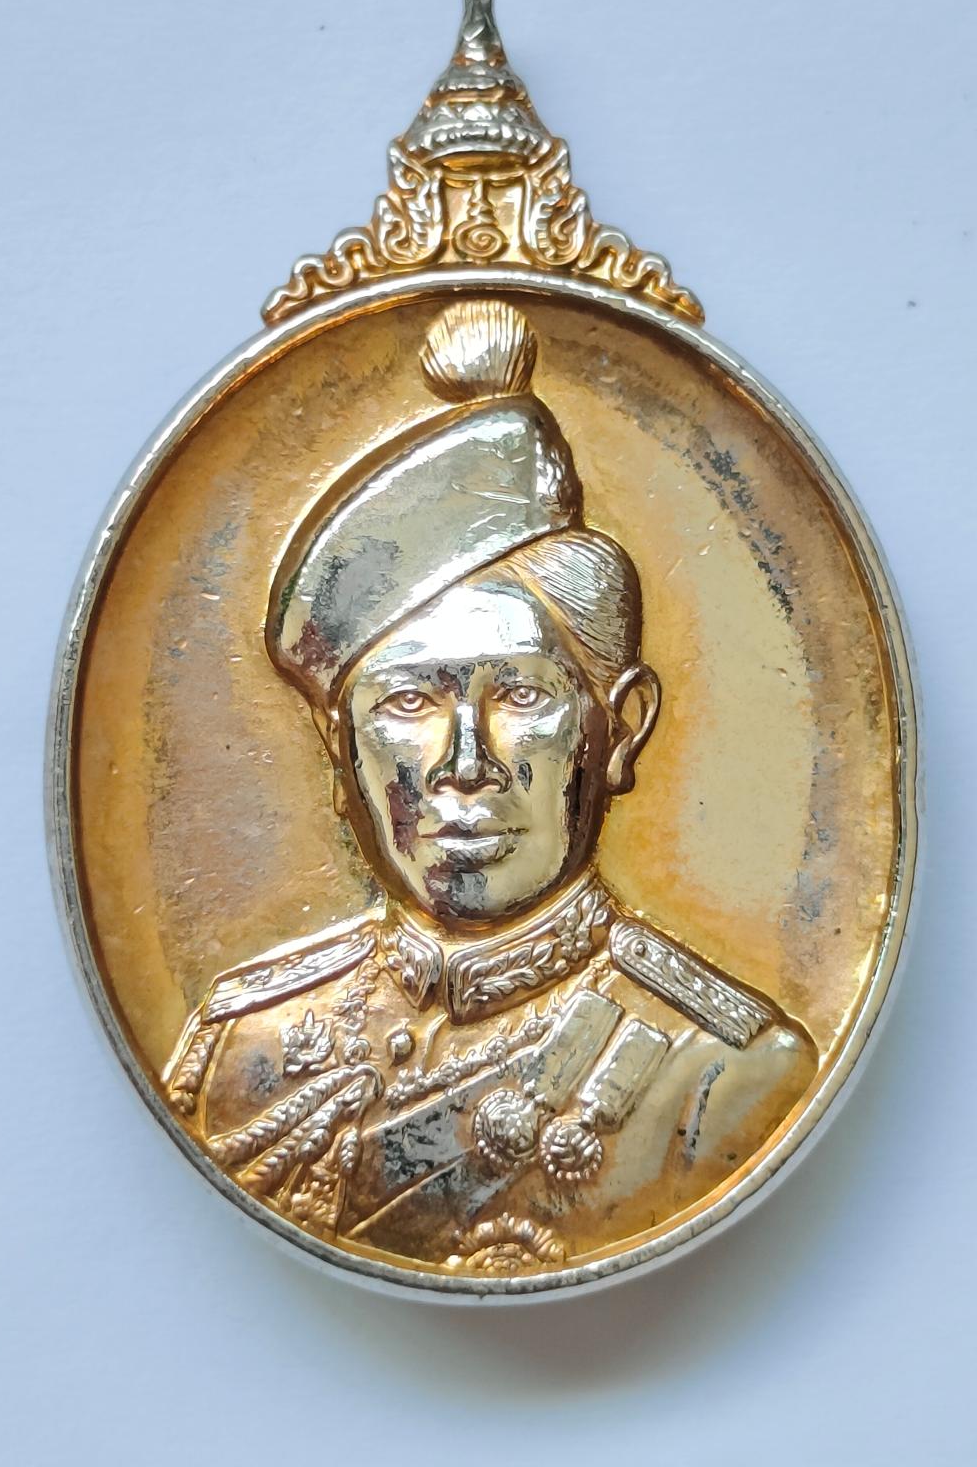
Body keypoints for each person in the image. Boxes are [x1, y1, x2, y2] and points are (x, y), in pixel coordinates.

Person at [163, 299, 817, 1276]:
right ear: (341, 753)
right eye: (409, 700)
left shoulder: (723, 1072)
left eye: (518, 693)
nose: (464, 762)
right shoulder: (238, 1045)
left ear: (620, 730)